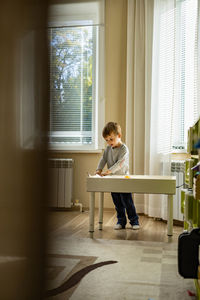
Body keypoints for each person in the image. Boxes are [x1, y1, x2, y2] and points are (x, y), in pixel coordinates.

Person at [95, 121, 139, 230]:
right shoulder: (108, 149)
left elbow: (120, 163)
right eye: (106, 140)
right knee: (117, 203)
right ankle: (121, 221)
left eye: (111, 139)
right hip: (113, 180)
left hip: (123, 178)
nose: (109, 142)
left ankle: (134, 221)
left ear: (119, 136)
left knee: (127, 202)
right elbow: (103, 159)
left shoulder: (124, 149)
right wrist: (99, 169)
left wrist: (109, 171)